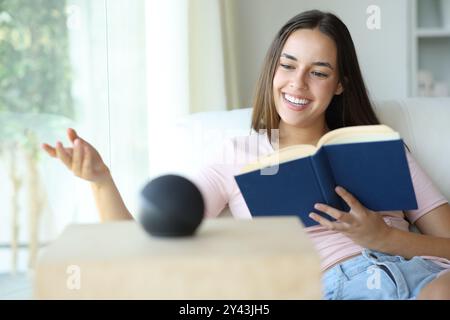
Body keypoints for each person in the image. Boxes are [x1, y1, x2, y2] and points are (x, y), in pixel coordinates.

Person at [42, 10, 450, 299]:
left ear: (340, 85)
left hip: (424, 274)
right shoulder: (237, 155)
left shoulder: (379, 146)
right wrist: (101, 181)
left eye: (319, 72)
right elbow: (149, 244)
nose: (298, 83)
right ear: (273, 70)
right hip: (332, 286)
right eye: (288, 66)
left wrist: (386, 238)